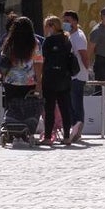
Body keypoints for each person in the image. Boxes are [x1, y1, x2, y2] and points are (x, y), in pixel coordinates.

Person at [40, 16, 76, 146]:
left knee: (49, 108)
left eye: (46, 26)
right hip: (64, 77)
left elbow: (43, 59)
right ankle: (66, 136)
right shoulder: (66, 39)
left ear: (51, 26)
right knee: (64, 108)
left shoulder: (48, 41)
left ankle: (48, 137)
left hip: (50, 78)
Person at [0, 16, 43, 102]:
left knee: (11, 107)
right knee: (29, 107)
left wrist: (3, 77)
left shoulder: (9, 42)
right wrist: (39, 83)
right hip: (29, 82)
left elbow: (4, 60)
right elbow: (38, 63)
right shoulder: (35, 43)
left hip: (11, 81)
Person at [62, 10, 88, 142]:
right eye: (64, 21)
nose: (65, 23)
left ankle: (78, 128)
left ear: (75, 21)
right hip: (71, 76)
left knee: (76, 103)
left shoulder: (78, 36)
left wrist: (86, 70)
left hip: (78, 75)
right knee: (70, 104)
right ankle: (75, 128)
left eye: (68, 21)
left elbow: (84, 55)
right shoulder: (69, 35)